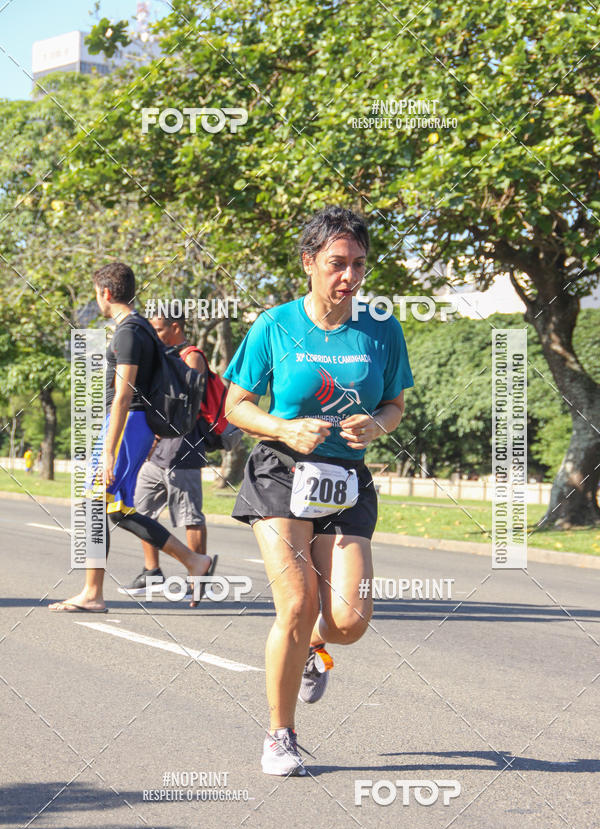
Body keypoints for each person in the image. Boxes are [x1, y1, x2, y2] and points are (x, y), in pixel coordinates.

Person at [224, 206, 413, 775]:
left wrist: (376, 425)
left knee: (350, 620)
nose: (349, 277)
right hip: (281, 471)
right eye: (336, 264)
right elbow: (235, 405)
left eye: (358, 264)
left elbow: (396, 404)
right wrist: (284, 427)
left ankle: (312, 649)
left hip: (347, 477)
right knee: (298, 603)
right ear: (309, 262)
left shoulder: (381, 327)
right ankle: (280, 735)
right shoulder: (275, 325)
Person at [49, 262, 216, 613]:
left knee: (94, 504)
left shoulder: (128, 332)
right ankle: (192, 561)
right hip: (132, 425)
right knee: (116, 511)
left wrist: (108, 451)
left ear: (106, 293)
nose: (98, 301)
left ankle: (93, 594)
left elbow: (124, 393)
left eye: (97, 295)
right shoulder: (141, 329)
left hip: (126, 423)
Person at [119, 312, 211, 607]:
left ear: (175, 327)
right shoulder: (163, 355)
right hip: (157, 450)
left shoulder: (192, 355)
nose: (155, 336)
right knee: (136, 509)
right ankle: (152, 572)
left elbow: (185, 405)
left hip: (183, 449)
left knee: (189, 516)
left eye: (159, 330)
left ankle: (198, 580)